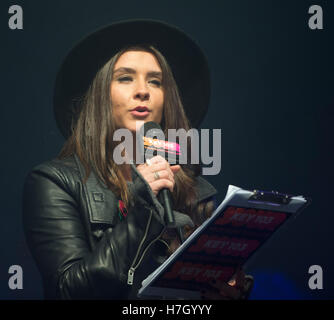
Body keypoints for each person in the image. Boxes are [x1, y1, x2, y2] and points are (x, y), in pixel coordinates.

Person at [22, 19, 253, 300]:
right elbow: (69, 291)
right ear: (101, 96)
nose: (143, 90)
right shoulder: (55, 182)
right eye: (125, 78)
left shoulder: (194, 191)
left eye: (155, 81)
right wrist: (143, 211)